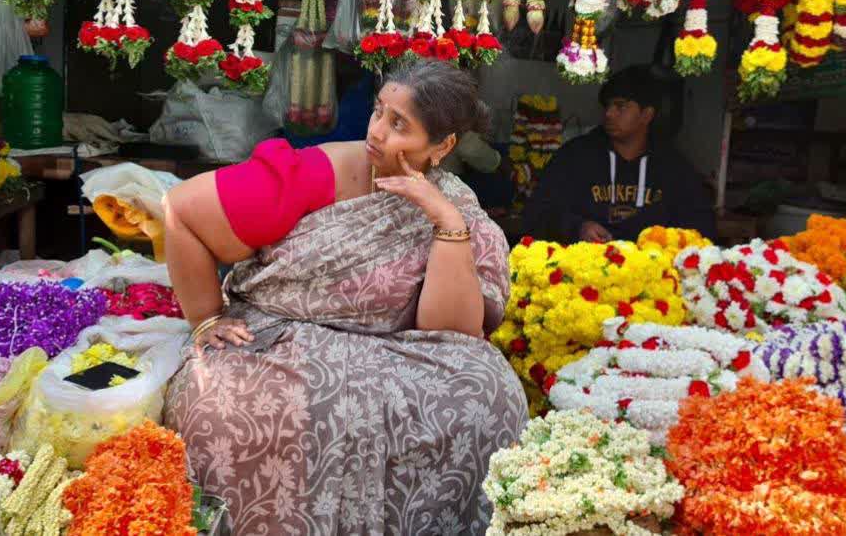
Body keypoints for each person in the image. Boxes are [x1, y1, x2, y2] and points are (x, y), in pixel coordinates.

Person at [161, 59, 526, 534]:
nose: (376, 132)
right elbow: (180, 211)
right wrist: (207, 319)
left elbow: (451, 332)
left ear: (443, 146)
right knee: (223, 405)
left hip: (404, 355)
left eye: (399, 125)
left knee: (491, 395)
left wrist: (445, 222)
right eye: (379, 112)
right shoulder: (317, 172)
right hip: (284, 338)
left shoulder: (457, 207)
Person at [523, 64, 715, 244]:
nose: (609, 114)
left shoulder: (673, 167)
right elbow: (537, 212)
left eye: (620, 106)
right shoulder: (575, 157)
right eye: (607, 106)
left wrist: (659, 241)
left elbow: (700, 228)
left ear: (646, 114)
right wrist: (577, 227)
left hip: (651, 273)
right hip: (584, 269)